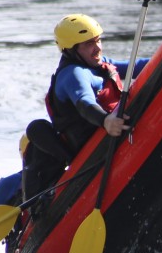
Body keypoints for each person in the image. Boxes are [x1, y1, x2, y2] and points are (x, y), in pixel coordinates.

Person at [22, 13, 149, 203]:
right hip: (92, 147)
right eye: (88, 44)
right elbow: (84, 102)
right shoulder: (73, 74)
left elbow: (136, 66)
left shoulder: (98, 63)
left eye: (97, 40)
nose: (97, 47)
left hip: (112, 132)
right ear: (72, 50)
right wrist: (106, 120)